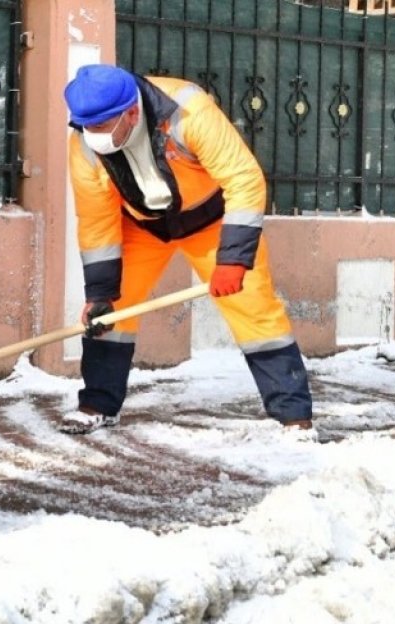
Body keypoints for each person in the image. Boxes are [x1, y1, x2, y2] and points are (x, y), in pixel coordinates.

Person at [60, 64, 312, 434]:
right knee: (109, 314)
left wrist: (233, 258)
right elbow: (97, 221)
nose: (93, 135)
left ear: (132, 112)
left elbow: (243, 179)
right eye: (87, 126)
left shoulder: (187, 112)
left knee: (254, 309)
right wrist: (100, 292)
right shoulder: (84, 144)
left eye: (102, 126)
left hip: (210, 222)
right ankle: (97, 404)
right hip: (144, 226)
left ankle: (294, 417)